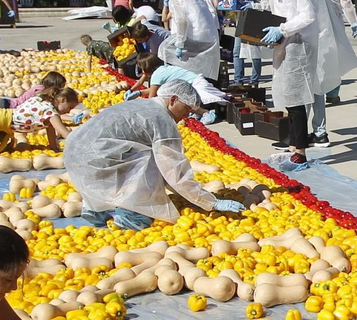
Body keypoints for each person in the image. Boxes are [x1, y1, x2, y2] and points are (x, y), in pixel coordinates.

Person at [65, 81, 242, 228]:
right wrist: (210, 202)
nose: (187, 116)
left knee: (142, 157)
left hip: (75, 153)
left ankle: (96, 208)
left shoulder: (143, 104)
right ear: (173, 100)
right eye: (187, 109)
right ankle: (131, 215)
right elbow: (173, 170)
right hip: (96, 158)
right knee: (151, 160)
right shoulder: (161, 119)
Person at [253, 0, 342, 169]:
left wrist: (283, 28)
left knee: (297, 98)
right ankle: (293, 146)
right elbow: (278, 9)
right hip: (284, 41)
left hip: (299, 43)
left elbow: (308, 14)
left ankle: (300, 152)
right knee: (285, 95)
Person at [307, 0, 357, 143]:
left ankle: (309, 130)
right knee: (332, 66)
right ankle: (333, 94)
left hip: (312, 32)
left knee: (311, 82)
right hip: (334, 29)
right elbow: (346, 3)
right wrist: (353, 22)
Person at [157, 0, 222, 82]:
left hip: (195, 38)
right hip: (210, 38)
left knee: (164, 49)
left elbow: (181, 22)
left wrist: (180, 44)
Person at [130, 55, 226, 123]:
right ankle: (201, 112)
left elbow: (152, 97)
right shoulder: (163, 69)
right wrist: (139, 92)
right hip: (196, 83)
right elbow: (155, 90)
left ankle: (205, 113)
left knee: (183, 101)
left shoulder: (156, 75)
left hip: (196, 86)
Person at [233, 0, 271, 86]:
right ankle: (238, 81)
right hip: (242, 21)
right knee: (237, 52)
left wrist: (254, 6)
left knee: (255, 53)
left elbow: (268, 4)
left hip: (255, 22)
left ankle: (254, 81)